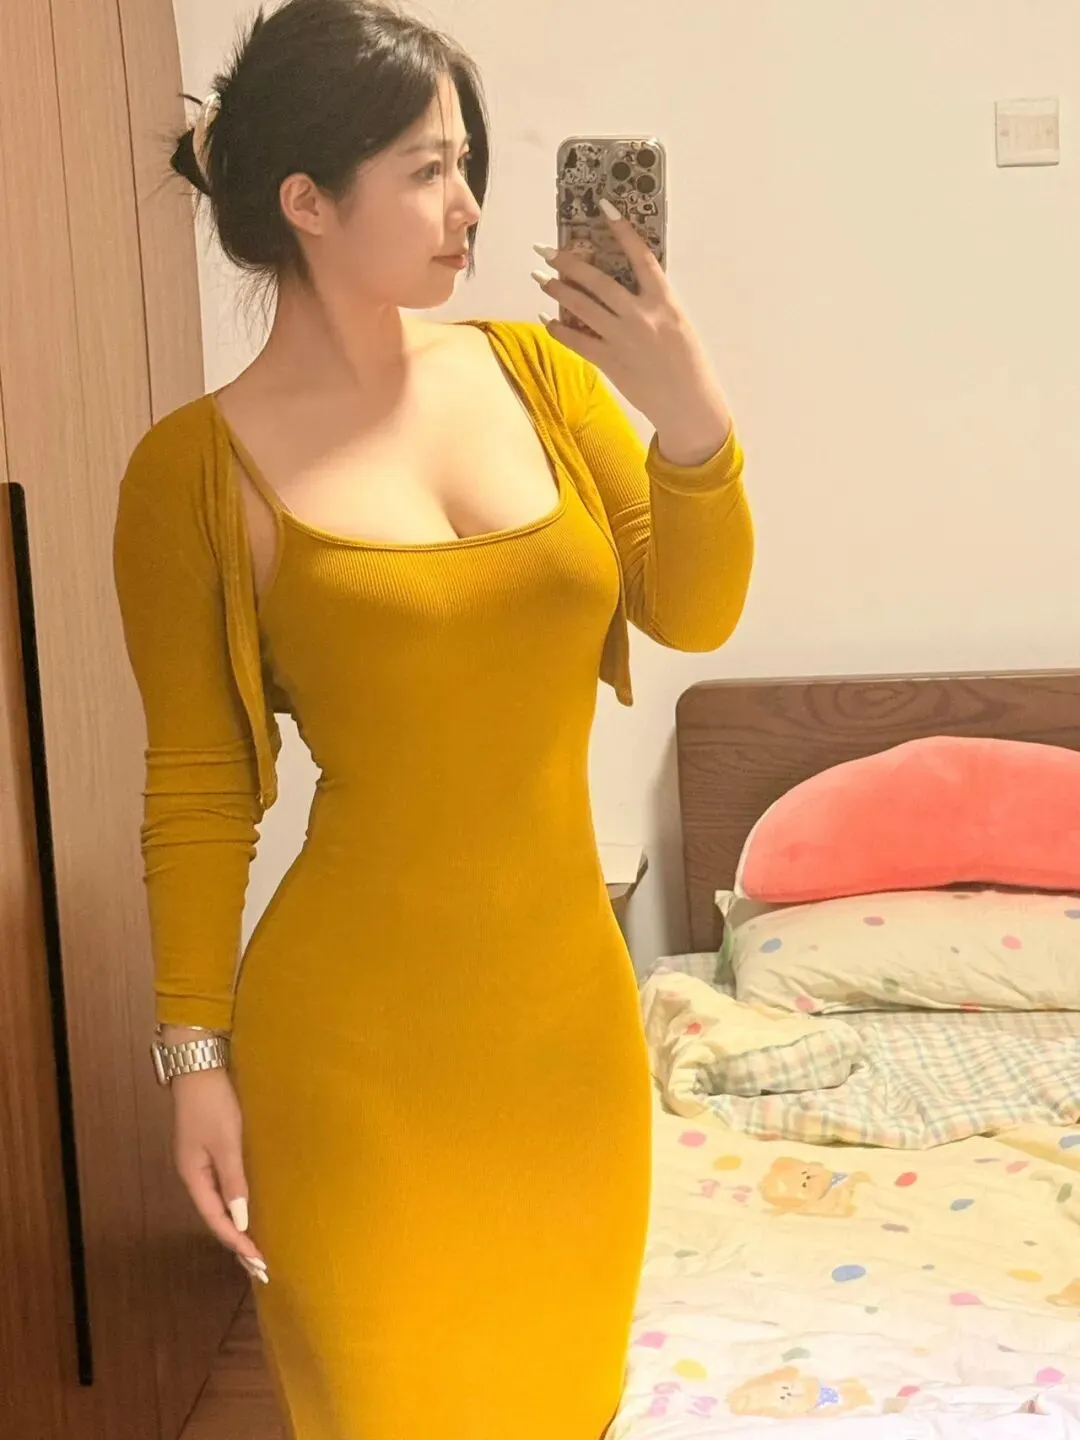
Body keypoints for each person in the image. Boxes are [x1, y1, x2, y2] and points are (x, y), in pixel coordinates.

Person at [113, 1, 753, 1436]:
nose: (469, 205)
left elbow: (694, 609)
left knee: (563, 1403)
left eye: (465, 162)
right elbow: (200, 791)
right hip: (348, 1061)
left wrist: (690, 420)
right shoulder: (191, 475)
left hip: (568, 1039)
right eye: (426, 170)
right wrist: (193, 1063)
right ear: (307, 201)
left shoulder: (537, 376)